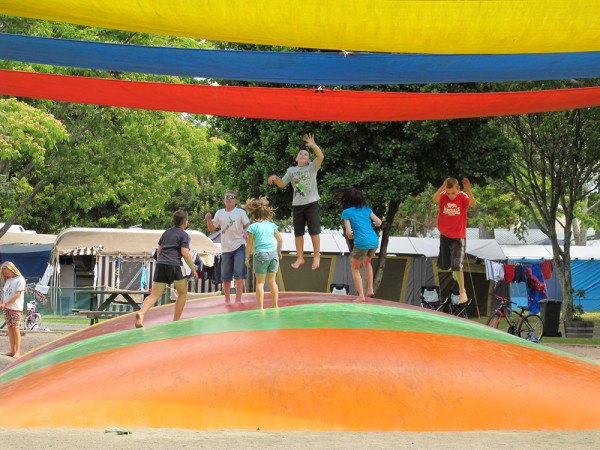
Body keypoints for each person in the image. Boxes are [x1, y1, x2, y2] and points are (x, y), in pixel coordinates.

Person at [268, 133, 324, 270]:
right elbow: (282, 184)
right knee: (298, 233)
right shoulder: (291, 170)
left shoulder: (312, 168)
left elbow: (321, 157)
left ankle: (316, 255)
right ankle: (300, 257)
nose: (303, 155)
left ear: (309, 160)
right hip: (297, 205)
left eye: (306, 154)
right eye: (300, 154)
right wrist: (275, 178)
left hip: (311, 204)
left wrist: (313, 145)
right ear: (296, 158)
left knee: (314, 232)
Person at [135, 210, 198, 328]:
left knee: (154, 294)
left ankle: (141, 313)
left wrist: (160, 263)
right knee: (183, 292)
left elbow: (159, 249)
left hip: (161, 264)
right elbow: (184, 252)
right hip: (175, 265)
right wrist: (193, 269)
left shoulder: (166, 233)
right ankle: (175, 321)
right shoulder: (184, 235)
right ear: (185, 222)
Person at [333, 188, 382, 302]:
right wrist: (374, 224)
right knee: (367, 262)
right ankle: (370, 289)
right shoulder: (367, 209)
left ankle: (361, 296)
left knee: (355, 267)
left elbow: (349, 232)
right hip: (374, 240)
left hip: (362, 242)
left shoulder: (347, 212)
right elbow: (379, 222)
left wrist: (351, 235)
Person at [433, 177, 477, 304]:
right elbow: (434, 199)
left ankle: (463, 291)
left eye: (453, 193)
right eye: (448, 193)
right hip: (445, 236)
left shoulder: (462, 197)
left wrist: (468, 190)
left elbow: (473, 204)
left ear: (458, 189)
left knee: (457, 264)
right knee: (445, 265)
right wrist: (442, 188)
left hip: (458, 238)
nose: (451, 196)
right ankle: (455, 271)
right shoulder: (443, 196)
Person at [205, 190, 250, 303]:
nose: (229, 199)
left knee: (239, 274)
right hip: (225, 248)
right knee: (225, 276)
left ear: (236, 201)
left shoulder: (240, 212)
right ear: (224, 199)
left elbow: (247, 225)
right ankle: (227, 300)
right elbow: (212, 228)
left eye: (231, 197)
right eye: (226, 197)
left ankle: (238, 300)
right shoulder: (220, 213)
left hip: (239, 245)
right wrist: (208, 219)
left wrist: (246, 232)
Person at [243, 197, 283, 309]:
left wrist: (247, 258)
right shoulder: (271, 225)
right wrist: (279, 251)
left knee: (260, 283)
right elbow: (280, 239)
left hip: (261, 255)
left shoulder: (252, 227)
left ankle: (260, 308)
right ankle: (275, 305)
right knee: (272, 281)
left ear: (253, 214)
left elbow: (249, 244)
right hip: (273, 254)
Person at [0, 261, 26, 358]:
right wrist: (2, 302)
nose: (6, 275)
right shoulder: (8, 280)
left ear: (12, 269)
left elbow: (17, 294)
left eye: (7, 272)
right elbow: (4, 293)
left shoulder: (20, 279)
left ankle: (17, 352)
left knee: (16, 329)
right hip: (6, 308)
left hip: (15, 308)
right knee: (10, 329)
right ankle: (12, 350)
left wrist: (6, 303)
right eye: (5, 274)